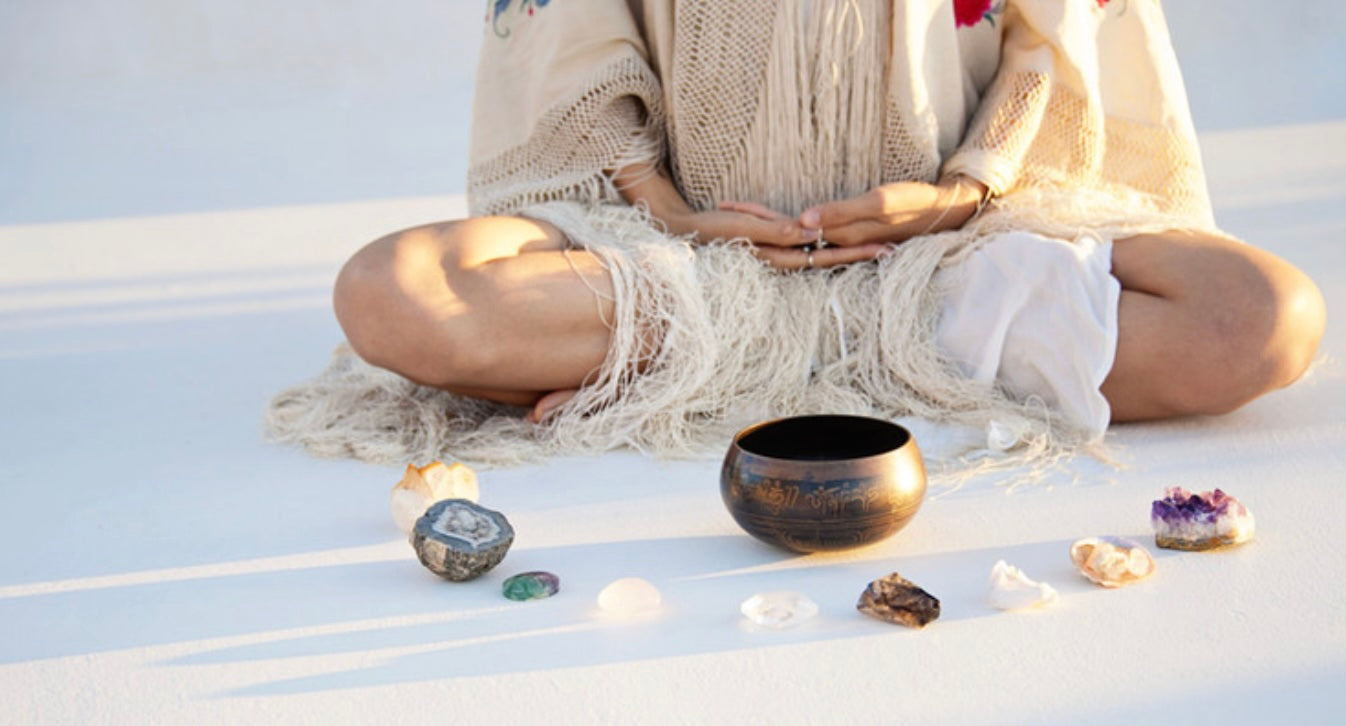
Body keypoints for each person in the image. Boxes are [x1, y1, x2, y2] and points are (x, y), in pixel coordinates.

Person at [269, 0, 1324, 466]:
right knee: (390, 294)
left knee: (1264, 321)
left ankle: (742, 369)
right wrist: (666, 209)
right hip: (689, 265)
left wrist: (965, 189)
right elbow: (569, 31)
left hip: (947, 264)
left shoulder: (957, 233)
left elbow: (1061, 35)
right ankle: (750, 352)